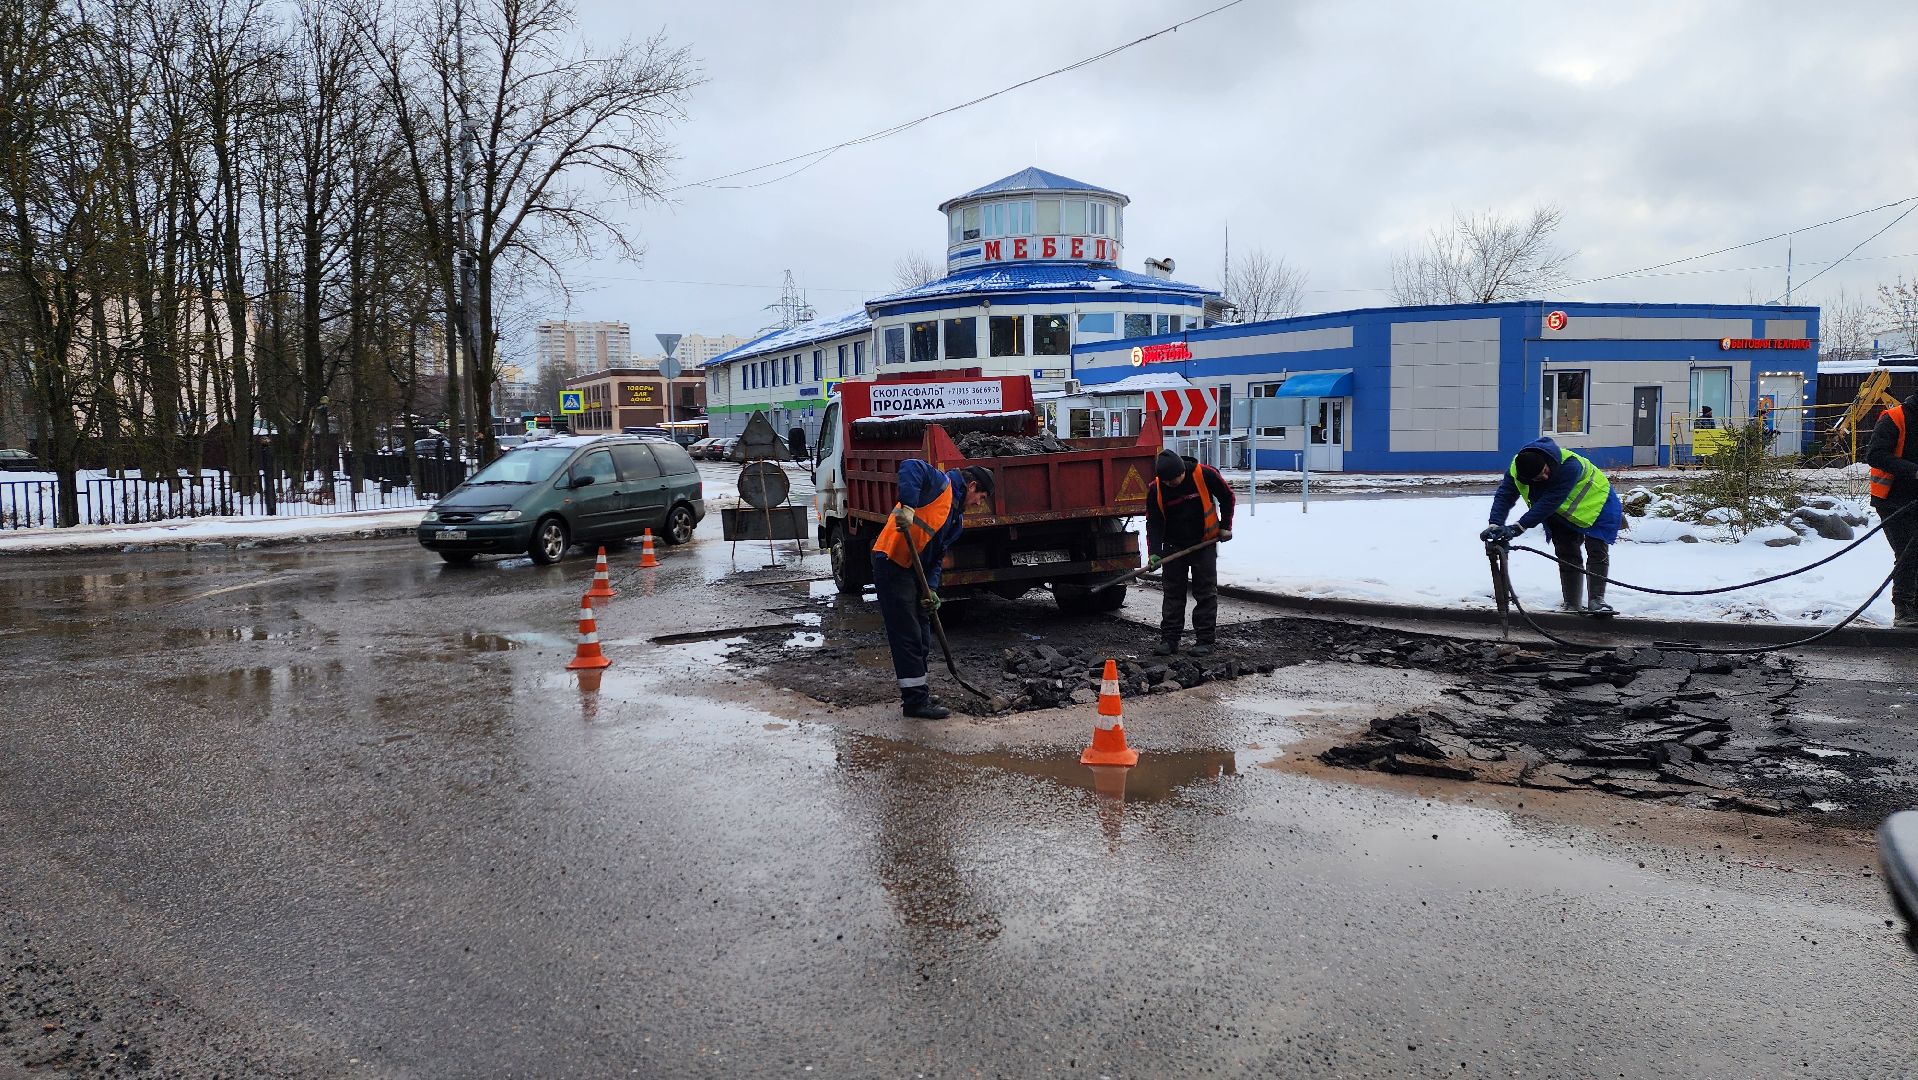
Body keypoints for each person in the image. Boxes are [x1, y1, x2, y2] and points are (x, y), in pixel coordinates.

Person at [871, 459, 995, 719]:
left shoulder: (955, 521)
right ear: (971, 485)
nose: (978, 504)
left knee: (923, 634)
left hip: (914, 572)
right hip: (891, 562)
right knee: (908, 635)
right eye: (980, 497)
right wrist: (907, 507)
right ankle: (914, 703)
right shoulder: (941, 484)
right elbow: (909, 467)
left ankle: (919, 692)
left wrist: (932, 589)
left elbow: (936, 558)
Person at [1481, 438, 1624, 615]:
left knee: (1596, 550)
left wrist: (1518, 527)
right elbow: (1505, 495)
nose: (1545, 477)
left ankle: (1597, 600)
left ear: (1547, 462)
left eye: (1545, 471)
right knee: (1566, 552)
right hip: (1562, 512)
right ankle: (1571, 603)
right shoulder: (1516, 469)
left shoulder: (1569, 466)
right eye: (1539, 477)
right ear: (1526, 478)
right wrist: (1495, 524)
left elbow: (1549, 502)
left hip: (1598, 504)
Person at [1145, 449, 1235, 656]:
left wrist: (1225, 525)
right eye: (1167, 481)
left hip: (1203, 542)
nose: (1171, 484)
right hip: (1173, 545)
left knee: (1205, 592)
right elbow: (1154, 522)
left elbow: (1227, 497)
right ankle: (1169, 640)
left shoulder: (1204, 474)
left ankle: (1204, 640)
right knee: (1173, 594)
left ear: (1181, 470)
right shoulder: (1156, 488)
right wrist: (1155, 552)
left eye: (1175, 479)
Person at [1866, 392, 1918, 628]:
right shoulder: (1894, 418)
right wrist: (1912, 470)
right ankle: (1904, 609)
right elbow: (1875, 455)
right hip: (1892, 500)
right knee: (1909, 551)